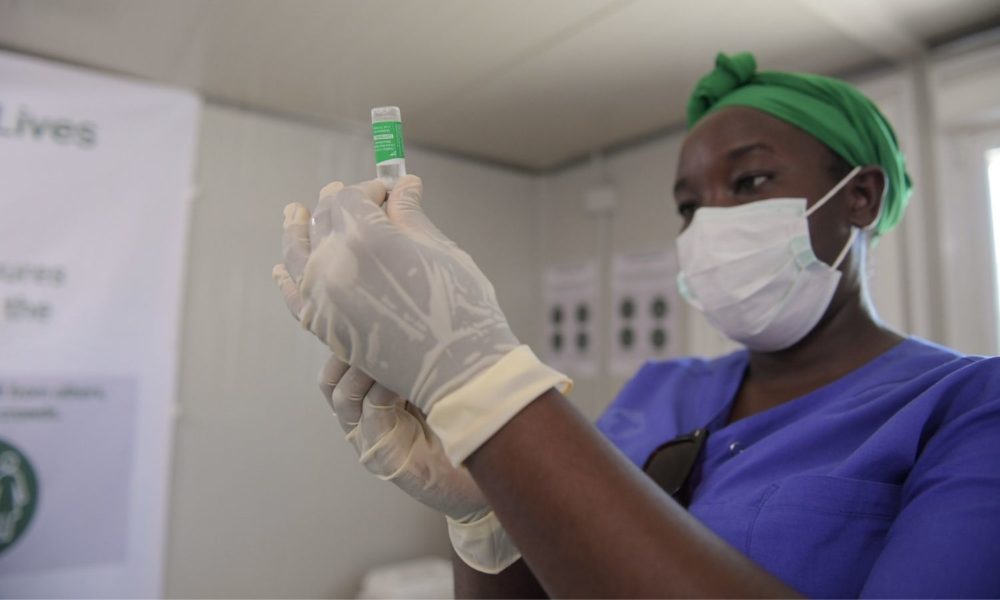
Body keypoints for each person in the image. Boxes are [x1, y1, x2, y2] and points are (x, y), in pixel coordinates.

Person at [272, 52, 1000, 597]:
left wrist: (482, 381)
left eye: (749, 183)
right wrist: (487, 513)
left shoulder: (969, 409)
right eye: (688, 204)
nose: (710, 220)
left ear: (861, 198)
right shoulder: (664, 390)